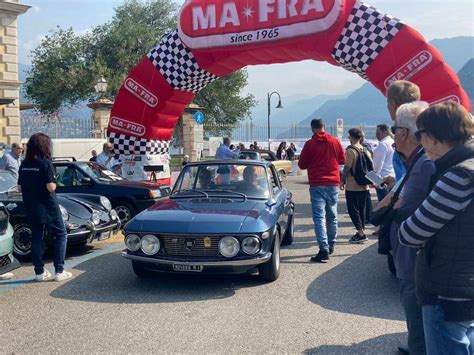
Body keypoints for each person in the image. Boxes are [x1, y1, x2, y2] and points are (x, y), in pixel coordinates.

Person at [399, 102, 474, 355]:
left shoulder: (457, 177)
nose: (420, 142)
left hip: (447, 290)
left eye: (420, 135)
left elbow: (411, 232)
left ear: (432, 137)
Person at [388, 101, 432, 355]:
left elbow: (407, 210)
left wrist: (388, 210)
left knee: (416, 313)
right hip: (411, 257)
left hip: (412, 257)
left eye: (395, 129)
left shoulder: (423, 164)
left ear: (403, 133)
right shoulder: (418, 161)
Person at [17, 133, 72, 282]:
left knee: (36, 237)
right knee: (61, 235)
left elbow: (19, 187)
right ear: (44, 146)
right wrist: (56, 179)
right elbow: (51, 187)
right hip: (48, 206)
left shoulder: (24, 164)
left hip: (31, 205)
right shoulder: (45, 163)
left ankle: (39, 273)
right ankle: (59, 271)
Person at [298, 118, 345, 262]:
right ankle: (331, 244)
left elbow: (301, 165)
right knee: (332, 215)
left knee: (319, 217)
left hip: (317, 183)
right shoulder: (335, 142)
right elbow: (342, 160)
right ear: (324, 126)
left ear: (312, 128)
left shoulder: (309, 144)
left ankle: (323, 249)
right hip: (332, 183)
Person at [341, 128, 372, 243]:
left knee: (352, 210)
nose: (348, 139)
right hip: (364, 185)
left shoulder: (350, 151)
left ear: (352, 137)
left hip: (353, 185)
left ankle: (361, 233)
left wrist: (342, 180)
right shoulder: (365, 150)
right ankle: (361, 231)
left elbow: (347, 168)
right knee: (361, 209)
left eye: (349, 137)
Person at [387, 80, 421, 181]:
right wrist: (396, 184)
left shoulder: (402, 131)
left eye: (388, 102)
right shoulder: (422, 124)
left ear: (393, 103)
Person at [373, 124, 395, 201]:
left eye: (378, 133)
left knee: (383, 203)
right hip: (392, 176)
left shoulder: (383, 144)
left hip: (382, 178)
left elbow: (378, 164)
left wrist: (374, 179)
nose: (376, 135)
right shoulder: (393, 142)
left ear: (385, 133)